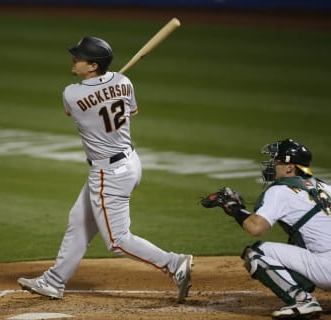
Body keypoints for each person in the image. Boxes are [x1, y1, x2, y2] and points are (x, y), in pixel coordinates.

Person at [17, 36, 193, 303]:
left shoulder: (71, 93)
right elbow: (128, 110)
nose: (73, 60)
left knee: (117, 240)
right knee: (79, 220)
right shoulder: (125, 82)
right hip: (130, 162)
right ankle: (54, 281)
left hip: (108, 173)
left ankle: (174, 263)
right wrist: (107, 88)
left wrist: (98, 92)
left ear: (93, 66)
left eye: (79, 57)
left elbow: (72, 111)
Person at [202, 138, 331, 319]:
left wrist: (234, 209)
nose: (272, 165)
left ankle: (302, 301)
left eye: (277, 161)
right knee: (299, 241)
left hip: (327, 270)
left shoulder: (280, 191)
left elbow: (256, 228)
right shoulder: (325, 187)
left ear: (289, 167)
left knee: (256, 252)